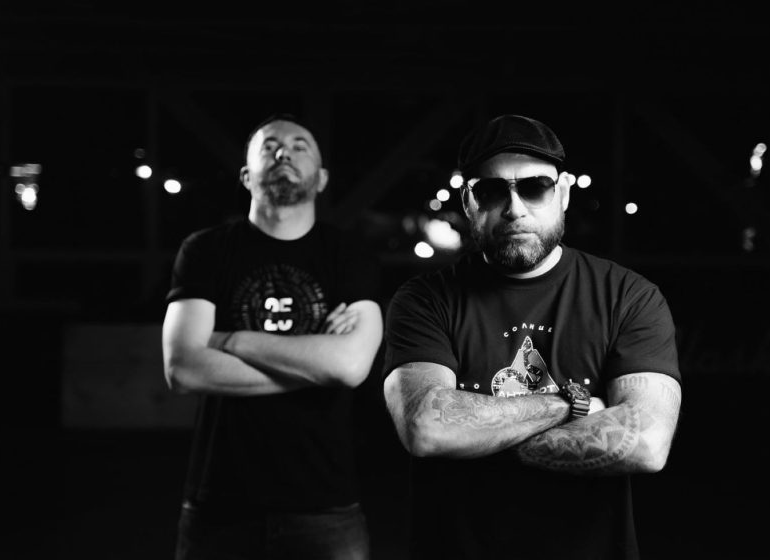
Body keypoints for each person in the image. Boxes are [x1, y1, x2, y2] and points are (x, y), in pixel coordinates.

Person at [382, 114, 682, 559]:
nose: (515, 208)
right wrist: (572, 406)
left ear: (563, 193)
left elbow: (646, 443)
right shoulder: (425, 300)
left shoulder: (629, 296)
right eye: (491, 190)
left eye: (535, 187)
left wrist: (475, 436)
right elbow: (426, 428)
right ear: (468, 201)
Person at [162, 113, 383, 560]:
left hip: (325, 503)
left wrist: (230, 341)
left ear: (321, 178)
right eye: (270, 146)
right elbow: (183, 368)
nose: (284, 152)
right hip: (220, 501)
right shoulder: (205, 250)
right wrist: (315, 365)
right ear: (247, 176)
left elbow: (349, 366)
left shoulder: (349, 254)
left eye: (301, 146)